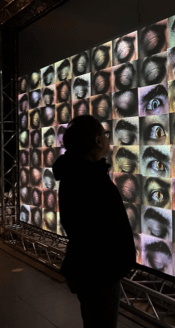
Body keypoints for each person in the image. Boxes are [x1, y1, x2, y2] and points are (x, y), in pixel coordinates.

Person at [53, 115, 136, 328]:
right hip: (100, 271)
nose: (108, 139)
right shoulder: (89, 178)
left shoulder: (75, 173)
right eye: (105, 134)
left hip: (89, 267)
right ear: (98, 141)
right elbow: (102, 229)